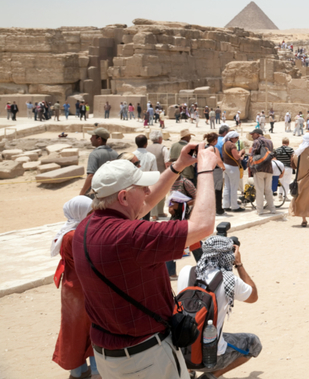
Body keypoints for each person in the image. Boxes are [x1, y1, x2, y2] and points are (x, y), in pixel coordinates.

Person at [73, 142, 217, 379]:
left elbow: (146, 204)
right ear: (123, 196)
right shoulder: (131, 236)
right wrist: (205, 170)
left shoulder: (86, 227)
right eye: (142, 187)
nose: (148, 191)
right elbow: (203, 226)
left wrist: (178, 166)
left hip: (110, 356)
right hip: (146, 358)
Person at [176, 236, 261, 378]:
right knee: (254, 343)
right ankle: (210, 376)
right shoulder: (229, 280)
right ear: (229, 256)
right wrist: (239, 264)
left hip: (180, 351)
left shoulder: (186, 271)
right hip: (210, 358)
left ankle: (188, 372)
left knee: (190, 324)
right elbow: (253, 296)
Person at [52, 196, 98, 379]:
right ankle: (96, 369)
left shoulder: (66, 233)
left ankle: (77, 371)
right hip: (86, 285)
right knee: (93, 326)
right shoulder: (80, 234)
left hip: (70, 287)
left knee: (73, 328)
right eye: (89, 212)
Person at [79, 128, 120, 196]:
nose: (90, 139)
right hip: (112, 192)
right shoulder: (115, 153)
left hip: (97, 193)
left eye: (92, 137)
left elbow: (91, 176)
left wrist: (81, 194)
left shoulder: (94, 154)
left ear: (99, 139)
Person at [249, 128, 275, 215]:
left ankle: (259, 210)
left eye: (253, 134)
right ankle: (272, 209)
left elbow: (252, 155)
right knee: (268, 190)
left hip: (259, 168)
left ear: (257, 134)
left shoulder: (256, 142)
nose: (252, 136)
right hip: (269, 168)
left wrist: (251, 167)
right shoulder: (270, 142)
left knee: (259, 190)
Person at [221, 131, 244, 213]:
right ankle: (235, 206)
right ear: (233, 138)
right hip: (232, 167)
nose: (237, 140)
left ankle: (225, 205)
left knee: (227, 187)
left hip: (226, 166)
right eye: (237, 138)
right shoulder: (232, 145)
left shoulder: (225, 144)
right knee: (234, 187)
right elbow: (237, 156)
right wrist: (241, 152)